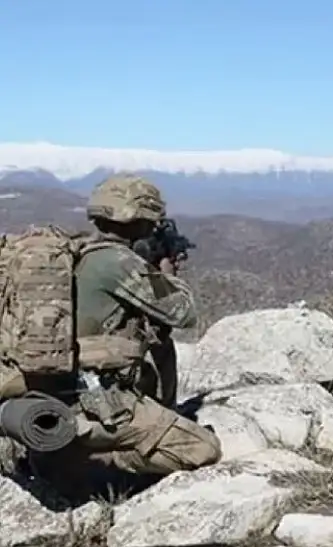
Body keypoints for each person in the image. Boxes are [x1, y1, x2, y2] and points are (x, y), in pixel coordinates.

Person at [29, 174, 221, 484]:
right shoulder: (118, 262)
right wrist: (166, 273)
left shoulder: (78, 251)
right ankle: (79, 463)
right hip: (88, 399)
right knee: (203, 448)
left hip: (50, 387)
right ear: (140, 221)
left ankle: (65, 450)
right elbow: (184, 313)